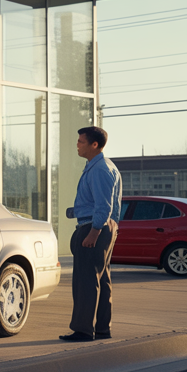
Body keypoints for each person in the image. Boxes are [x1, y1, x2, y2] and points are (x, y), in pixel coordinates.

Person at [61, 126, 122, 342]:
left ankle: (83, 330)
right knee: (101, 280)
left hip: (94, 228)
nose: (77, 145)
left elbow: (103, 206)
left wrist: (94, 232)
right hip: (100, 227)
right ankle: (102, 329)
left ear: (94, 145)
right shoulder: (101, 167)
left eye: (81, 141)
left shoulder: (99, 169)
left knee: (85, 282)